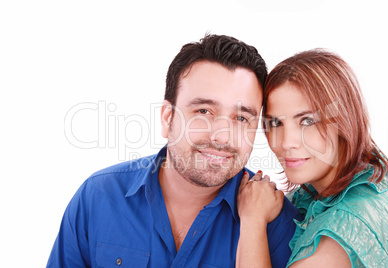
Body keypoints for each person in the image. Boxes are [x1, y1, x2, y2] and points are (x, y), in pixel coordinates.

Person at [47, 34, 301, 267]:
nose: (222, 136)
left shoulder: (276, 222)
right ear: (168, 118)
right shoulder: (98, 197)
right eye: (203, 112)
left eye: (242, 118)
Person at [236, 49, 388, 267]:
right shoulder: (367, 181)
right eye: (276, 123)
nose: (286, 142)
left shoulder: (338, 240)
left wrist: (252, 221)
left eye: (307, 121)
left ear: (344, 121)